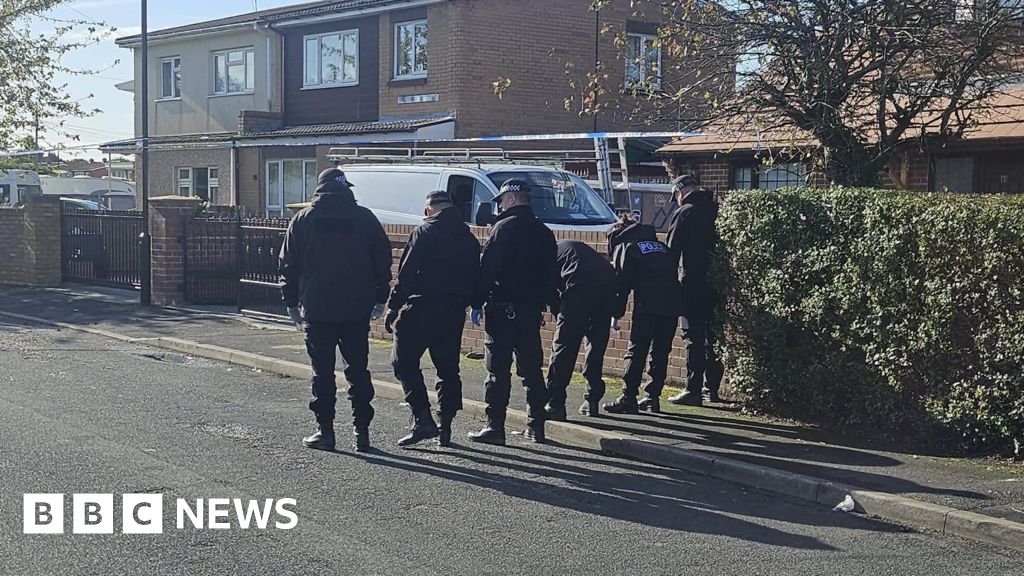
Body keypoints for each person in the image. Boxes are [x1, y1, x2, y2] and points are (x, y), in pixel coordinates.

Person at [279, 168, 392, 452]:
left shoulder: (303, 219)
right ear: (346, 189)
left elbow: (288, 265)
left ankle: (325, 431)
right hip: (356, 307)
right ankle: (361, 432)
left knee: (322, 372)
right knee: (357, 370)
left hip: (317, 307)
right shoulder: (364, 218)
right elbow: (382, 260)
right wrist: (380, 297)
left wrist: (291, 302)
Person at [385, 191, 481, 448]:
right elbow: (476, 275)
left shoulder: (424, 232)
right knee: (448, 368)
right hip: (453, 310)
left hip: (421, 306)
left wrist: (393, 307)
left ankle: (423, 420)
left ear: (429, 210)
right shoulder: (468, 238)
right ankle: (446, 426)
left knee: (403, 362)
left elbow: (406, 274)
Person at [468, 179, 558, 445]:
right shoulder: (544, 231)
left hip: (502, 309)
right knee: (531, 370)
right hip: (530, 311)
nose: (500, 205)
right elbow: (551, 273)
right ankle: (536, 426)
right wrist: (548, 303)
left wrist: (476, 302)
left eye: (502, 200)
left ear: (511, 199)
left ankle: (495, 427)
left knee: (497, 371)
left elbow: (488, 269)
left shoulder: (502, 229)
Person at [602, 217, 682, 414]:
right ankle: (652, 397)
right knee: (660, 352)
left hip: (647, 305)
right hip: (672, 304)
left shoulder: (627, 246)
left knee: (636, 351)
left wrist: (615, 313)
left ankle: (628, 397)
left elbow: (622, 284)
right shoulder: (660, 245)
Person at [544, 239, 617, 420]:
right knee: (596, 344)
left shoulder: (547, 255)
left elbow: (549, 290)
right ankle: (592, 400)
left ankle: (555, 403)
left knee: (563, 347)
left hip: (578, 285)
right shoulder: (569, 248)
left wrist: (559, 314)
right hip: (606, 284)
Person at [664, 174, 720, 407]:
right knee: (712, 336)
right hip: (716, 282)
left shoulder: (684, 212)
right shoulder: (716, 210)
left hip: (691, 282)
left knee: (692, 336)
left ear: (680, 192)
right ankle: (711, 388)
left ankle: (692, 389)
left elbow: (672, 251)